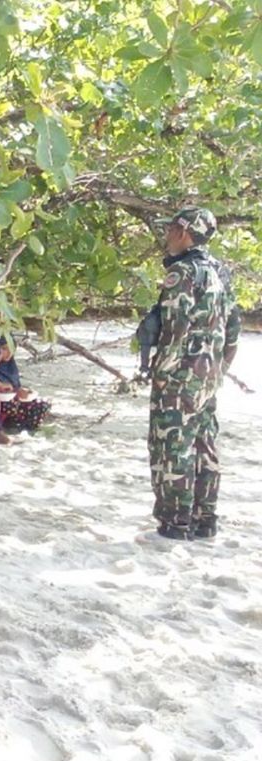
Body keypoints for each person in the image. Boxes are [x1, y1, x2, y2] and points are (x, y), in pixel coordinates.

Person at [144, 207, 241, 540]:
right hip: (208, 376)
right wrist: (219, 371)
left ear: (184, 232)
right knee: (203, 444)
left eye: (172, 228)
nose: (168, 235)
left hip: (180, 376)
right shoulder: (220, 272)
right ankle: (204, 518)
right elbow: (234, 330)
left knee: (172, 446)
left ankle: (175, 521)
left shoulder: (182, 273)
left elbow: (176, 328)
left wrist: (162, 370)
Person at [0, 339, 50, 433]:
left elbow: (15, 385)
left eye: (12, 348)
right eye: (4, 349)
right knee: (10, 404)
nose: (9, 352)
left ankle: (27, 428)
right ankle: (6, 426)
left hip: (14, 399)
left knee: (42, 404)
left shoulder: (11, 366)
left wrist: (21, 390)